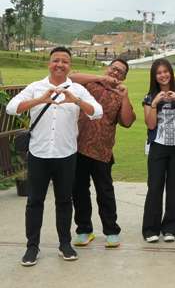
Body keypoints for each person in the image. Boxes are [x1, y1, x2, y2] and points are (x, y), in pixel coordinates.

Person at [6, 46, 103, 267]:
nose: (60, 64)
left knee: (64, 201)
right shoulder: (35, 87)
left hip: (65, 154)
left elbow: (97, 112)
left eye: (65, 61)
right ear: (49, 63)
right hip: (39, 154)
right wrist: (40, 99)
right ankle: (32, 247)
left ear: (70, 65)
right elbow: (12, 108)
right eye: (56, 60)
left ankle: (64, 244)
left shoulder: (77, 89)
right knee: (34, 202)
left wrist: (76, 101)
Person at [70, 58, 136, 249]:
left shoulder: (119, 94)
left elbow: (127, 121)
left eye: (120, 72)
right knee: (79, 190)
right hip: (77, 146)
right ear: (108, 69)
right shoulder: (89, 83)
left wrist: (124, 96)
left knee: (105, 192)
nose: (115, 73)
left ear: (124, 77)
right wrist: (101, 78)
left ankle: (111, 231)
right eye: (114, 68)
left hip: (102, 150)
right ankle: (84, 229)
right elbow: (71, 77)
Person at [141, 59, 175, 243]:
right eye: (159, 72)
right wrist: (154, 104)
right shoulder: (149, 96)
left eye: (166, 71)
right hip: (158, 146)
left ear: (171, 73)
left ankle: (171, 228)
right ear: (154, 76)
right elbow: (151, 124)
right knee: (155, 187)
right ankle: (150, 229)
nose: (163, 75)